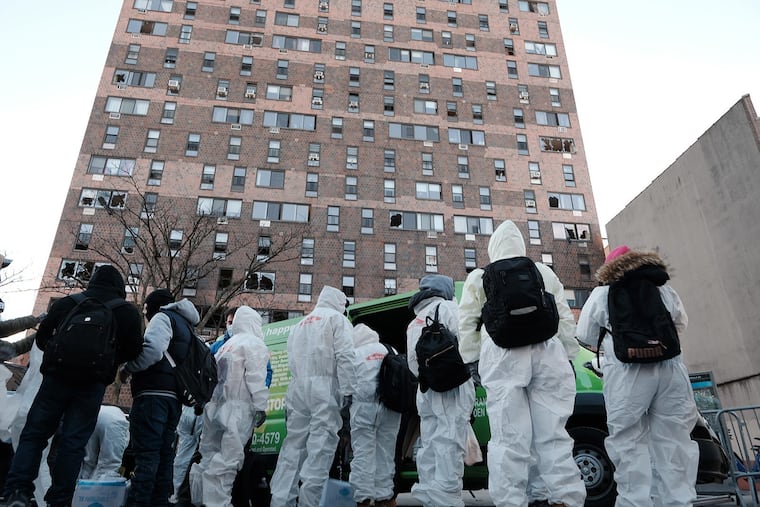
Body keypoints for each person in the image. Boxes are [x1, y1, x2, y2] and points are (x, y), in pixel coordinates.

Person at [458, 220, 585, 507]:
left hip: (502, 354)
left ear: (493, 248)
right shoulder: (542, 271)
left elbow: (466, 321)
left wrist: (472, 360)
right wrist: (569, 354)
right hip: (547, 350)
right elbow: (564, 316)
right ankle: (564, 498)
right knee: (553, 432)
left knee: (508, 437)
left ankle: (512, 501)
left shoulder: (480, 276)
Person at [0, 265, 142, 507]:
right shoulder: (126, 311)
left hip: (55, 379)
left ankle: (17, 491)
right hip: (91, 385)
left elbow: (43, 339)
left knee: (34, 436)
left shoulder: (67, 303)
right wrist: (108, 359)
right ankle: (60, 499)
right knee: (73, 443)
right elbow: (134, 350)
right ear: (119, 287)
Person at [575, 245, 699, 507]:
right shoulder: (662, 288)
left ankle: (635, 501)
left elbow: (585, 334)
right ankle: (679, 501)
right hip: (670, 368)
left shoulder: (602, 293)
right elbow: (681, 323)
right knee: (674, 441)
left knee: (628, 441)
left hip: (626, 372)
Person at [269, 286, 356, 507]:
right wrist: (348, 390)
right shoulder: (337, 320)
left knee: (292, 448)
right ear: (339, 303)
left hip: (298, 389)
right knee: (321, 445)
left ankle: (280, 501)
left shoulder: (300, 325)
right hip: (324, 388)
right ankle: (310, 502)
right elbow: (345, 356)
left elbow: (291, 360)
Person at [119, 288, 200, 507]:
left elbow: (153, 349)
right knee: (165, 456)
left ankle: (139, 502)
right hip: (174, 398)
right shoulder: (187, 326)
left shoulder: (162, 317)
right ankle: (159, 502)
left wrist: (129, 367)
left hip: (152, 395)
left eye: (146, 310)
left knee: (146, 454)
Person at [189, 305, 270, 507]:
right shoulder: (254, 344)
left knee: (207, 456)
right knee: (228, 460)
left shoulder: (226, 345)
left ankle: (200, 501)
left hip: (215, 408)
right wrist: (261, 406)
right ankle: (218, 503)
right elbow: (256, 378)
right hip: (238, 408)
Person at [406, 274, 475, 507]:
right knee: (450, 441)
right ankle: (447, 499)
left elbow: (412, 365)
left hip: (426, 391)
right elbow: (469, 343)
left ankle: (430, 496)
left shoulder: (414, 321)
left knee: (430, 444)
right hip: (451, 387)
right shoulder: (448, 308)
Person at [349, 323, 402, 507]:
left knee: (363, 455)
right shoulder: (390, 350)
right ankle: (384, 497)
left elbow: (346, 387)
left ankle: (363, 499)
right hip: (390, 408)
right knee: (386, 455)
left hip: (364, 410)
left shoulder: (354, 354)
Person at [79, 405, 129, 480]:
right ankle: (98, 491)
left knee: (88, 462)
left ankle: (81, 488)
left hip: (94, 415)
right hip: (114, 421)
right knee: (109, 466)